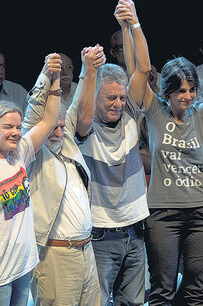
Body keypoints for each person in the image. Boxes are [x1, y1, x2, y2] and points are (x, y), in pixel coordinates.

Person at [114, 0, 203, 305]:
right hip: (163, 213)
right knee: (162, 289)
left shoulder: (201, 112)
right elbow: (138, 69)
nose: (187, 96)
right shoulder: (154, 111)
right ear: (168, 92)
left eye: (190, 90)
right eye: (180, 91)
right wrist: (131, 24)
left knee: (199, 288)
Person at [24, 45, 105, 306]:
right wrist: (49, 76)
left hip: (86, 250)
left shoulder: (66, 141)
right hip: (56, 255)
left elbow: (79, 109)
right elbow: (35, 115)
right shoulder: (32, 154)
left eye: (61, 127)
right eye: (52, 128)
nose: (59, 132)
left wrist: (89, 70)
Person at [75, 30, 149, 306]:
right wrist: (90, 71)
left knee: (133, 302)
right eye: (110, 99)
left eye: (121, 97)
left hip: (135, 230)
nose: (118, 104)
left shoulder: (129, 111)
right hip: (101, 235)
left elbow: (142, 69)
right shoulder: (86, 126)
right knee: (99, 302)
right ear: (94, 97)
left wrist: (132, 23)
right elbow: (82, 117)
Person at [0, 53, 61, 306]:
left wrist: (53, 76)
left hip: (23, 265)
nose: (16, 133)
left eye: (17, 127)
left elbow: (48, 120)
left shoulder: (20, 153)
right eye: (8, 127)